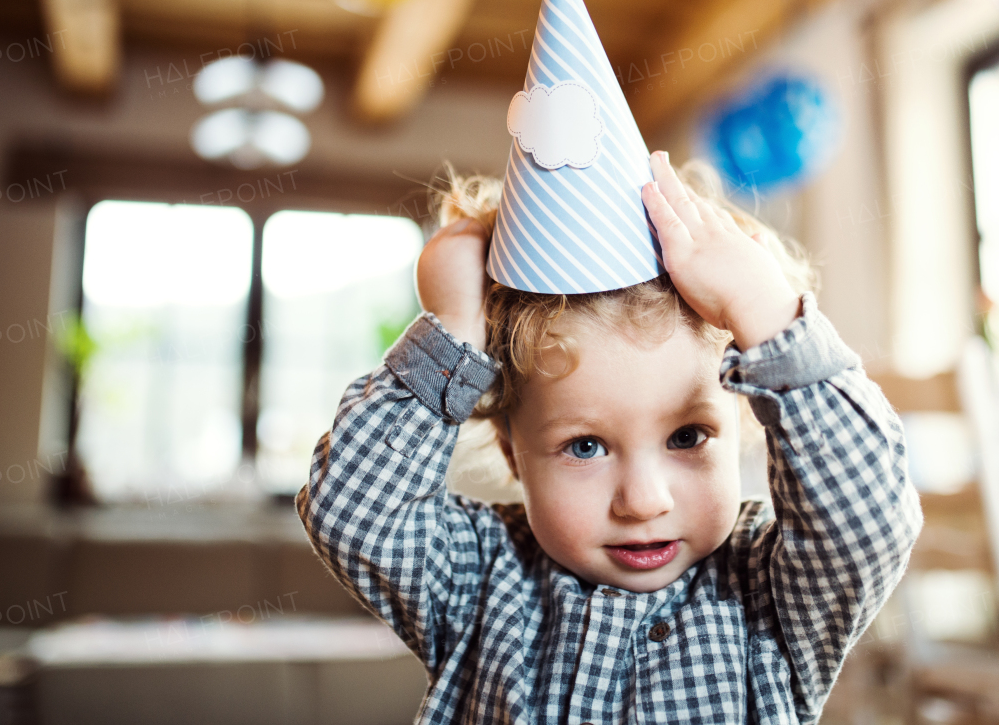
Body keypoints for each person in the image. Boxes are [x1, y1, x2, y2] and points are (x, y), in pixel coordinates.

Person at [297, 148, 922, 724]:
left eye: (688, 436)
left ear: (741, 420)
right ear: (515, 454)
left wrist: (766, 310)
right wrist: (452, 331)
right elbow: (354, 513)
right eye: (585, 446)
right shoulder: (477, 578)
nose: (644, 501)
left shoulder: (772, 592)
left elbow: (868, 518)